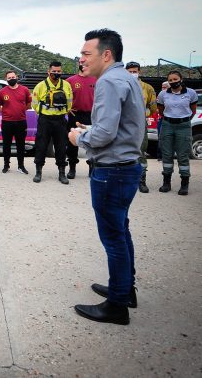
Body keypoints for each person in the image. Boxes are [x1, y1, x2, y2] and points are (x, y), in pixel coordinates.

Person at [70, 28, 145, 325]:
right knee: (121, 231)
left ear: (106, 54)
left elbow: (105, 133)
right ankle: (125, 290)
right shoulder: (126, 78)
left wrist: (80, 138)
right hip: (126, 167)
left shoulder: (108, 82)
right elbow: (122, 128)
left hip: (112, 170)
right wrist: (91, 132)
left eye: (86, 54)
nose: (81, 60)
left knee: (113, 237)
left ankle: (116, 305)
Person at [156, 70, 197, 195]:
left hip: (184, 126)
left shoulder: (191, 93)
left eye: (175, 79)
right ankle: (166, 183)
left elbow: (193, 111)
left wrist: (183, 120)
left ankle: (184, 184)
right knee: (167, 154)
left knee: (183, 155)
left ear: (181, 79)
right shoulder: (163, 94)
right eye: (170, 80)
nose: (173, 82)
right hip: (167, 125)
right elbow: (161, 110)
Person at [31, 61, 73, 184]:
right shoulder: (40, 86)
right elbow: (34, 103)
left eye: (59, 71)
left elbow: (70, 100)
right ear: (48, 72)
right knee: (41, 146)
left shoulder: (66, 85)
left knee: (61, 147)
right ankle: (38, 172)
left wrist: (65, 111)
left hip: (60, 120)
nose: (56, 73)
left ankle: (62, 173)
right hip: (45, 120)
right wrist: (42, 111)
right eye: (54, 71)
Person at [125, 61, 158, 193]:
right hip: (124, 123)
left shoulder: (148, 88)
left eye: (135, 71)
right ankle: (126, 179)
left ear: (139, 72)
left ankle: (141, 180)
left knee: (140, 150)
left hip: (139, 123)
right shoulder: (120, 85)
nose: (133, 73)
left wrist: (144, 113)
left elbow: (153, 108)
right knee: (123, 150)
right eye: (130, 71)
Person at [0, 71, 32, 174]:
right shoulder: (2, 92)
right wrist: (5, 111)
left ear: (17, 77)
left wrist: (20, 110)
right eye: (9, 78)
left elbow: (29, 104)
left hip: (21, 122)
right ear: (6, 79)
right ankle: (6, 165)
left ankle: (21, 166)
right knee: (6, 145)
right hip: (7, 122)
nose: (11, 79)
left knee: (21, 145)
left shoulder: (24, 90)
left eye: (13, 77)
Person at [65, 64, 97, 179]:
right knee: (72, 142)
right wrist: (67, 108)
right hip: (75, 115)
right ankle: (72, 168)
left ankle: (92, 168)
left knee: (92, 142)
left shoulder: (96, 79)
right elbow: (63, 97)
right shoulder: (70, 81)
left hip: (91, 116)